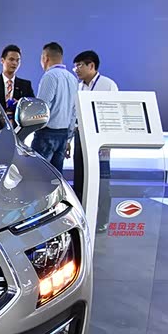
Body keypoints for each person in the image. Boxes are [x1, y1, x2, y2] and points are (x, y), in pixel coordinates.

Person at [71, 50, 119, 231]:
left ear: (91, 65)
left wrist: (108, 143)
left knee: (101, 182)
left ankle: (102, 220)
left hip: (100, 140)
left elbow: (114, 114)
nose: (76, 69)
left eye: (79, 65)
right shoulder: (79, 86)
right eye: (75, 66)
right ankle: (82, 217)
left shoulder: (108, 85)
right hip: (80, 136)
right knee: (80, 178)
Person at [32, 42, 77, 171]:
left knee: (39, 174)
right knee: (56, 176)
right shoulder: (72, 78)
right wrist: (69, 138)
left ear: (45, 58)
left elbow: (42, 107)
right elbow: (74, 111)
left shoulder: (49, 76)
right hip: (63, 135)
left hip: (46, 134)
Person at [0, 44, 34, 124]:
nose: (15, 63)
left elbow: (31, 107)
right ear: (2, 60)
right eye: (11, 59)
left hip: (18, 127)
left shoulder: (26, 85)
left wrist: (21, 104)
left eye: (17, 60)